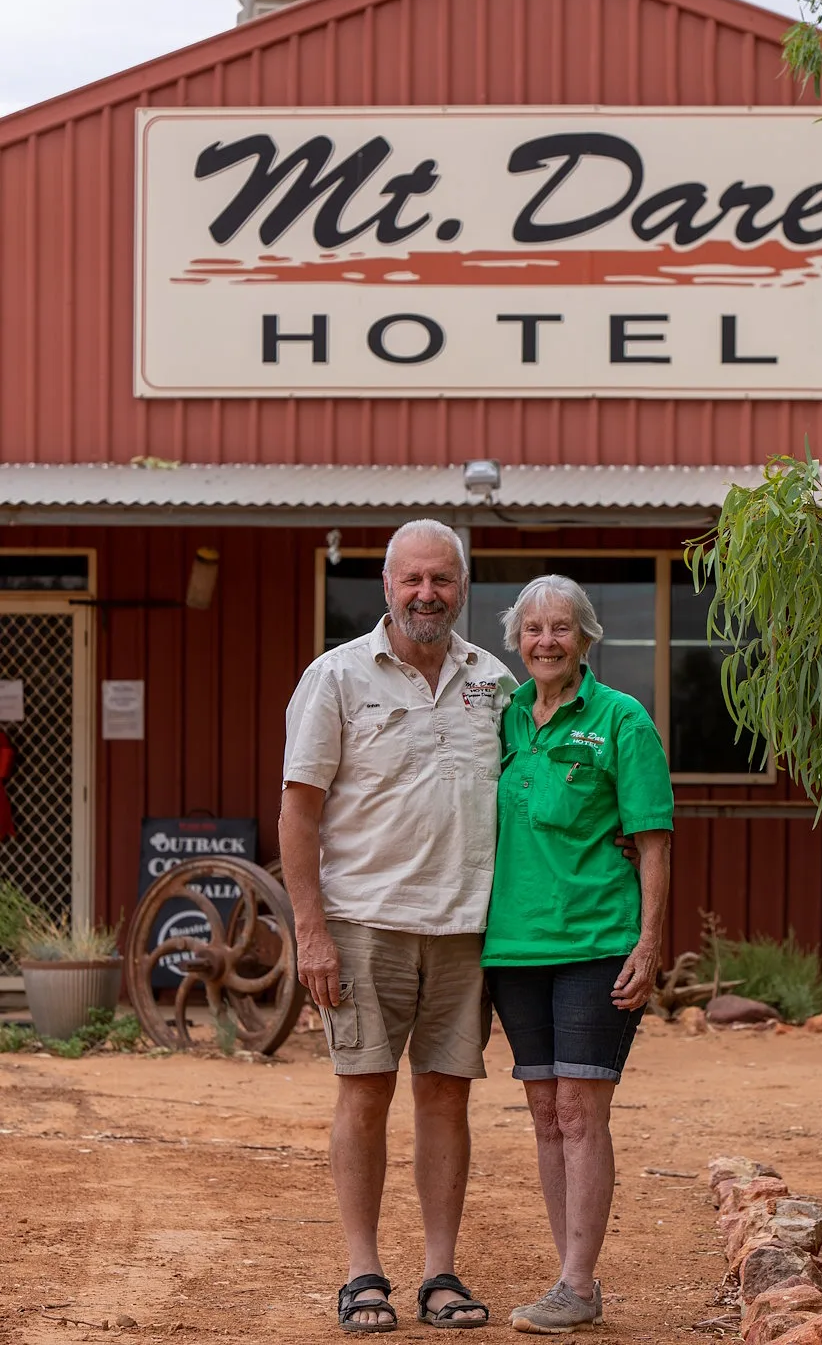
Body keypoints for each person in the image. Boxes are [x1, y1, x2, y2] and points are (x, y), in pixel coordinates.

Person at [279, 519, 515, 1333]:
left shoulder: (495, 682)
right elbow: (299, 810)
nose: (426, 594)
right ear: (387, 587)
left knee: (447, 1097)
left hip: (463, 928)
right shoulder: (335, 677)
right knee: (364, 1092)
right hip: (362, 924)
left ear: (460, 587)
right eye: (412, 580)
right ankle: (361, 1272)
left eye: (441, 581)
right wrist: (311, 932)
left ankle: (440, 1272)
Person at [481, 574, 673, 1334]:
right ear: (516, 641)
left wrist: (649, 943)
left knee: (578, 1110)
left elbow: (652, 839)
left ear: (585, 637)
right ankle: (572, 1281)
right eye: (532, 630)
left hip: (596, 940)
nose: (546, 641)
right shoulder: (500, 721)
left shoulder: (622, 720)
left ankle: (576, 1281)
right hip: (512, 946)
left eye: (561, 627)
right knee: (542, 1112)